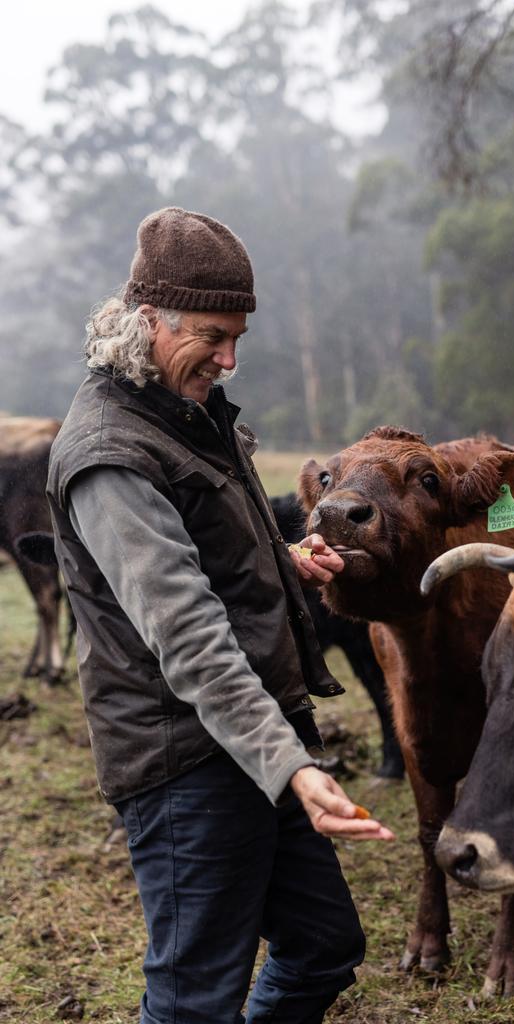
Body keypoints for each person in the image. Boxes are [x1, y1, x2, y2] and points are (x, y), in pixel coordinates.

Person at [46, 206, 394, 1024]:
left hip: (255, 739)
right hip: (184, 764)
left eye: (238, 337)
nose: (229, 359)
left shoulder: (185, 412)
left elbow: (212, 549)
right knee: (196, 998)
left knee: (322, 948)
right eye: (212, 335)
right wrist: (298, 769)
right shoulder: (110, 456)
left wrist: (289, 561)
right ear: (146, 321)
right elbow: (189, 638)